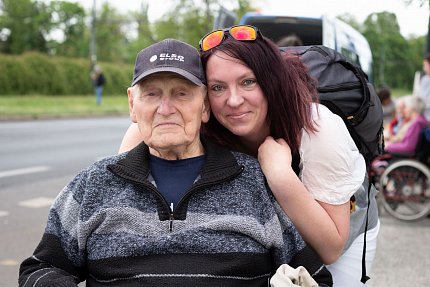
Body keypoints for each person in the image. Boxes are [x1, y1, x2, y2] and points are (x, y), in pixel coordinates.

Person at [19, 39, 332, 287]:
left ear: (205, 107)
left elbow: (313, 275)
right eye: (152, 94)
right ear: (132, 104)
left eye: (181, 94)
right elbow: (41, 268)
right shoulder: (95, 183)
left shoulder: (253, 182)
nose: (165, 108)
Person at [118, 26, 379, 286]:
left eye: (248, 82)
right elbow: (125, 170)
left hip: (339, 233)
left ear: (270, 81)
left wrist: (280, 176)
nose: (233, 100)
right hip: (267, 232)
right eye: (218, 87)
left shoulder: (319, 128)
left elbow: (330, 248)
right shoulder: (201, 118)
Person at [417, 53, 430, 120]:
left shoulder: (426, 80)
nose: (424, 69)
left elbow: (421, 101)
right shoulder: (426, 79)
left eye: (425, 65)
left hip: (425, 118)